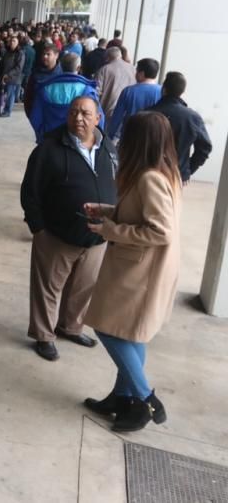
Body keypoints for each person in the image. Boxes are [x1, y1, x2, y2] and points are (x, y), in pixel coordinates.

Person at [82, 111, 182, 432]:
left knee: (108, 328)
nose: (121, 141)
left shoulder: (149, 178)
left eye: (128, 135)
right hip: (143, 270)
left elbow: (160, 231)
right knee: (133, 333)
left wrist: (111, 230)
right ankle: (121, 398)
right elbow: (139, 214)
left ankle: (145, 399)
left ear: (140, 142)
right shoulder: (164, 173)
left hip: (139, 273)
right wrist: (108, 211)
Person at [20, 97, 117, 362]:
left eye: (85, 113)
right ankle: (44, 335)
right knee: (48, 289)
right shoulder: (49, 148)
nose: (78, 118)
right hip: (56, 235)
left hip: (96, 238)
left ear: (97, 118)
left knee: (83, 288)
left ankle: (71, 326)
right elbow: (30, 191)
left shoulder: (108, 148)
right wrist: (38, 227)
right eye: (73, 112)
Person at [146, 72, 212, 184]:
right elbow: (205, 148)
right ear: (182, 92)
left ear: (164, 89)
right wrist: (187, 170)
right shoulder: (192, 117)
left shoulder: (146, 114)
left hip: (146, 173)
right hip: (176, 175)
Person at [28, 52, 103, 144]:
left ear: (61, 66)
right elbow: (99, 120)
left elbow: (35, 117)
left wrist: (42, 136)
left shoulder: (45, 89)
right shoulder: (88, 91)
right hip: (78, 142)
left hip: (50, 140)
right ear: (78, 68)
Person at [106, 58, 162, 142]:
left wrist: (109, 137)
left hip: (129, 136)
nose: (135, 74)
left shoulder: (128, 91)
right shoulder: (161, 92)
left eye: (137, 71)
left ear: (142, 73)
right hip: (152, 137)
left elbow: (117, 117)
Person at [95, 47, 137, 120]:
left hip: (108, 110)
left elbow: (96, 91)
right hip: (128, 110)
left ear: (108, 57)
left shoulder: (104, 69)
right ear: (120, 56)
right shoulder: (133, 69)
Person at [23, 43, 62, 119]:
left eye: (48, 54)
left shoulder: (62, 75)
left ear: (56, 55)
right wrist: (31, 115)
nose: (45, 57)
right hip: (38, 118)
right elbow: (28, 97)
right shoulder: (36, 74)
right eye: (44, 54)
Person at [0, 35, 25, 117]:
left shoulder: (20, 53)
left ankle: (7, 111)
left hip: (13, 78)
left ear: (18, 43)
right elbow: (2, 64)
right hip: (3, 76)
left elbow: (18, 67)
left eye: (14, 41)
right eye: (11, 41)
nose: (12, 43)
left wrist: (8, 74)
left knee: (10, 95)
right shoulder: (7, 52)